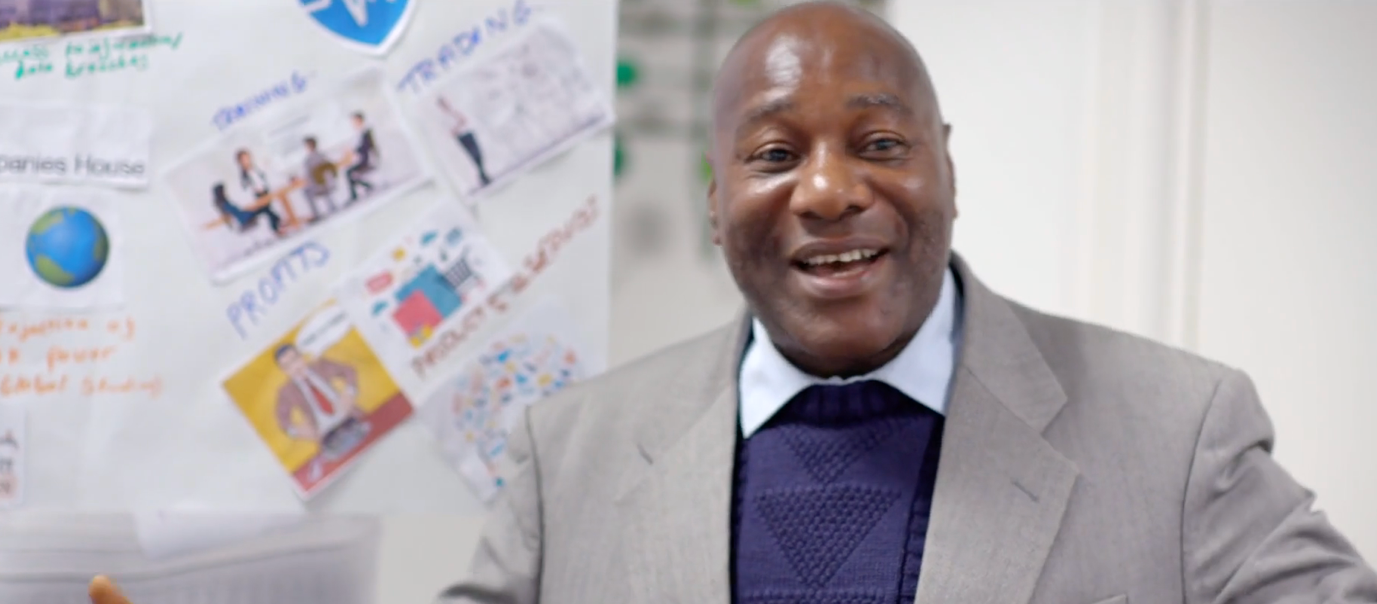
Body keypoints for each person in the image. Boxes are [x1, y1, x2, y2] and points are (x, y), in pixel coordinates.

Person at [89, 2, 1377, 604]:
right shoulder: (570, 454)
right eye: (774, 154)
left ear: (945, 169)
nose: (830, 190)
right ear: (716, 204)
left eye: (880, 142)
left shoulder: (1178, 431)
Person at [272, 343, 369, 470]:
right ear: (284, 370)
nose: (295, 367)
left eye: (294, 359)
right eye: (287, 366)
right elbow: (283, 421)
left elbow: (348, 370)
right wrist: (296, 431)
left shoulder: (320, 366)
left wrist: (350, 391)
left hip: (351, 419)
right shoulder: (287, 391)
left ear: (301, 357)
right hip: (328, 438)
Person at [438, 96, 492, 187]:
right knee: (474, 155)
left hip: (468, 133)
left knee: (479, 154)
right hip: (462, 137)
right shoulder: (444, 118)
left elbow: (465, 119)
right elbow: (452, 132)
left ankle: (482, 175)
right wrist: (459, 124)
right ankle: (483, 176)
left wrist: (458, 119)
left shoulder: (455, 110)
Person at [209, 182, 283, 235]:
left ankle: (277, 225)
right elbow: (237, 213)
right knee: (265, 209)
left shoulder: (224, 204)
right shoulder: (225, 205)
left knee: (265, 209)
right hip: (245, 218)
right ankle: (276, 227)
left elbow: (236, 211)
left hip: (244, 216)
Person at [300, 136, 338, 222]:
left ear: (309, 146)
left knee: (306, 191)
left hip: (319, 186)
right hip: (328, 183)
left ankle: (316, 214)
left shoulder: (308, 160)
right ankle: (331, 205)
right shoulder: (323, 156)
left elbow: (308, 177)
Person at [344, 111, 377, 203]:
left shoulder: (365, 132)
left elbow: (365, 147)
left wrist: (354, 150)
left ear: (359, 120)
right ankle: (367, 187)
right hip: (362, 158)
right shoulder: (359, 133)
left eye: (355, 120)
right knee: (350, 174)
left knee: (349, 173)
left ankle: (357, 193)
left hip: (365, 159)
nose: (353, 123)